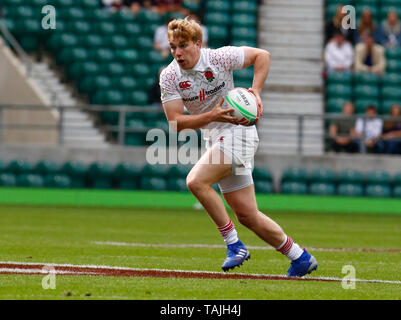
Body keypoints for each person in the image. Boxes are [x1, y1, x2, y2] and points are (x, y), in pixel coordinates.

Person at [159, 17, 318, 277]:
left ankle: (234, 245)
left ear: (198, 44)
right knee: (247, 215)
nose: (177, 53)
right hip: (216, 137)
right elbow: (176, 123)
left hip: (238, 132)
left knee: (196, 182)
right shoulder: (169, 77)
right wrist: (212, 116)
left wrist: (256, 91)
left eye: (183, 46)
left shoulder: (220, 58)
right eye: (173, 47)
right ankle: (300, 257)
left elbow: (262, 56)